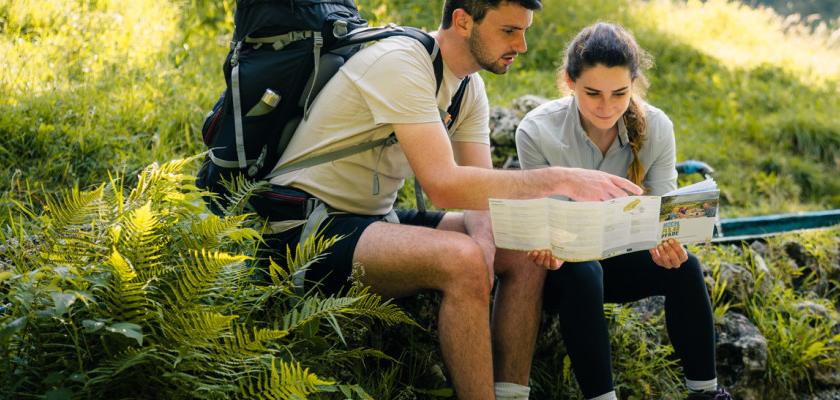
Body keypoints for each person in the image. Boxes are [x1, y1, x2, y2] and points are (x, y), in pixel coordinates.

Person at [258, 2, 642, 399]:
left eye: (523, 31)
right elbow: (443, 185)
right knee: (462, 260)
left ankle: (512, 394)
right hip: (304, 226)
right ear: (462, 21)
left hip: (374, 220)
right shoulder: (401, 63)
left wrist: (490, 249)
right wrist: (558, 180)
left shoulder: (468, 87)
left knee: (524, 243)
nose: (523, 45)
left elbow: (482, 197)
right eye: (509, 30)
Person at [513, 22, 732, 400]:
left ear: (634, 84)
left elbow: (666, 210)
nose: (607, 107)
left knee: (686, 266)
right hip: (562, 271)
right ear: (569, 82)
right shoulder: (537, 131)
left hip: (619, 259)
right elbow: (547, 223)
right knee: (584, 270)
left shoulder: (657, 127)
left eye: (620, 93)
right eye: (592, 93)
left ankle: (706, 392)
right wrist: (545, 243)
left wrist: (669, 244)